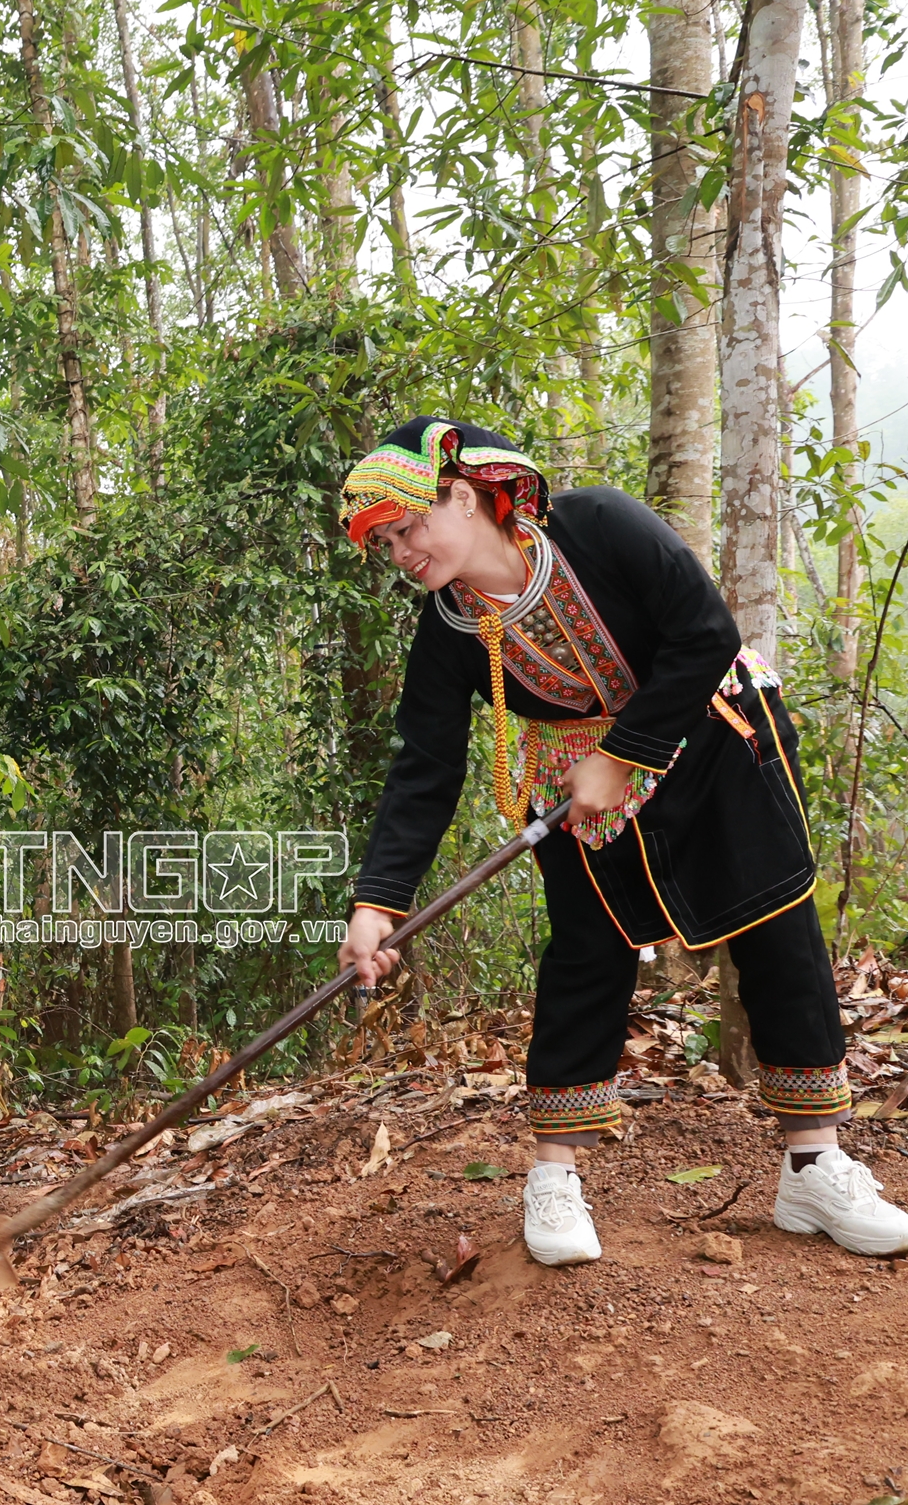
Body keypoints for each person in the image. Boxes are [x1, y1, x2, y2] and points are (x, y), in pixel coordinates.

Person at [335, 418, 908, 1265]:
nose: (401, 554)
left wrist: (621, 753)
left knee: (776, 929)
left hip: (712, 735)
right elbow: (426, 764)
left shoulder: (600, 525)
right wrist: (377, 903)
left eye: (408, 528)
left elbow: (706, 630)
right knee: (585, 949)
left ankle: (813, 1165)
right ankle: (554, 1175)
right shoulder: (450, 627)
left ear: (463, 496)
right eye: (385, 545)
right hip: (575, 787)